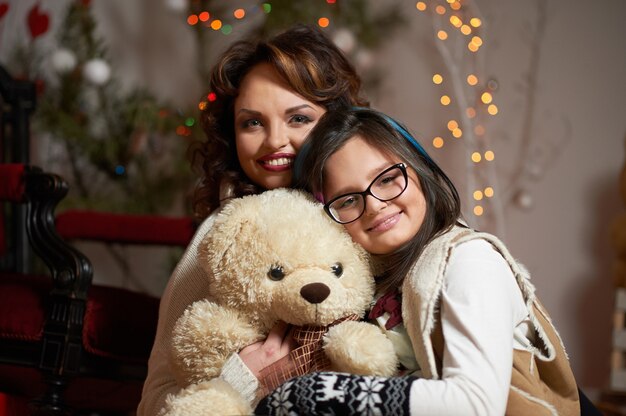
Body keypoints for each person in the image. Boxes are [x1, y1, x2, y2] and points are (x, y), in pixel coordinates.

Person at [255, 107, 580, 415]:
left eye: (385, 179)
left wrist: (323, 391)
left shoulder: (468, 261)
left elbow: (477, 405)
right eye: (349, 199)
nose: (375, 206)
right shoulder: (377, 285)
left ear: (419, 171)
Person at [137, 24, 368, 415]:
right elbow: (154, 400)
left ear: (337, 121)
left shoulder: (372, 210)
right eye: (252, 122)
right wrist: (245, 378)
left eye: (298, 118)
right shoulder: (226, 233)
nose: (275, 140)